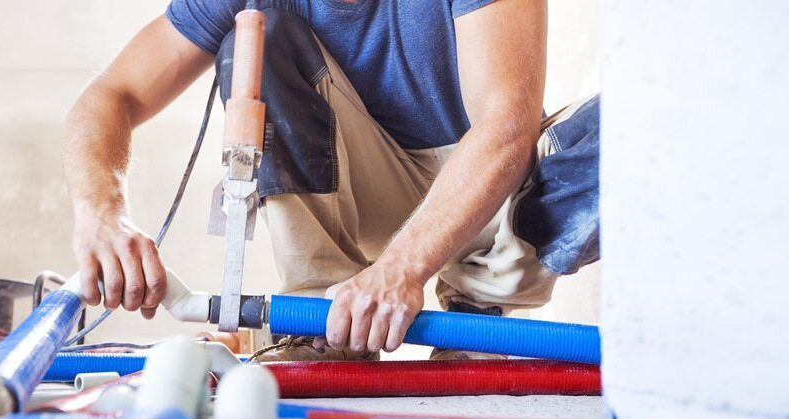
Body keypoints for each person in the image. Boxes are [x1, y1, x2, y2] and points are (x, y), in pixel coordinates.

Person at [64, 0, 599, 361]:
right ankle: (322, 321)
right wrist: (102, 216)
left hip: (495, 198)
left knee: (631, 125)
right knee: (259, 34)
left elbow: (507, 124)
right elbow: (116, 93)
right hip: (366, 187)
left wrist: (404, 267)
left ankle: (481, 315)